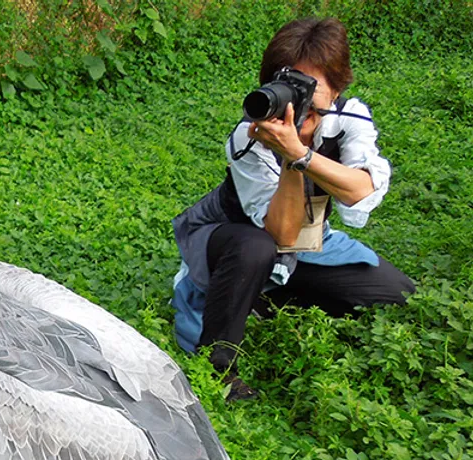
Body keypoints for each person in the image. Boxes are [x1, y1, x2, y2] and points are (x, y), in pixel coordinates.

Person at [171, 17, 415, 401]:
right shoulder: (250, 135)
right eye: (289, 87)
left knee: (396, 293)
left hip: (310, 239)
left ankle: (264, 300)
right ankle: (217, 366)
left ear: (337, 88)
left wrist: (301, 153)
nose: (299, 108)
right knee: (256, 249)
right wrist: (290, 156)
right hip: (234, 237)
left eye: (311, 97)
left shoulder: (349, 118)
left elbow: (359, 194)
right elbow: (280, 233)